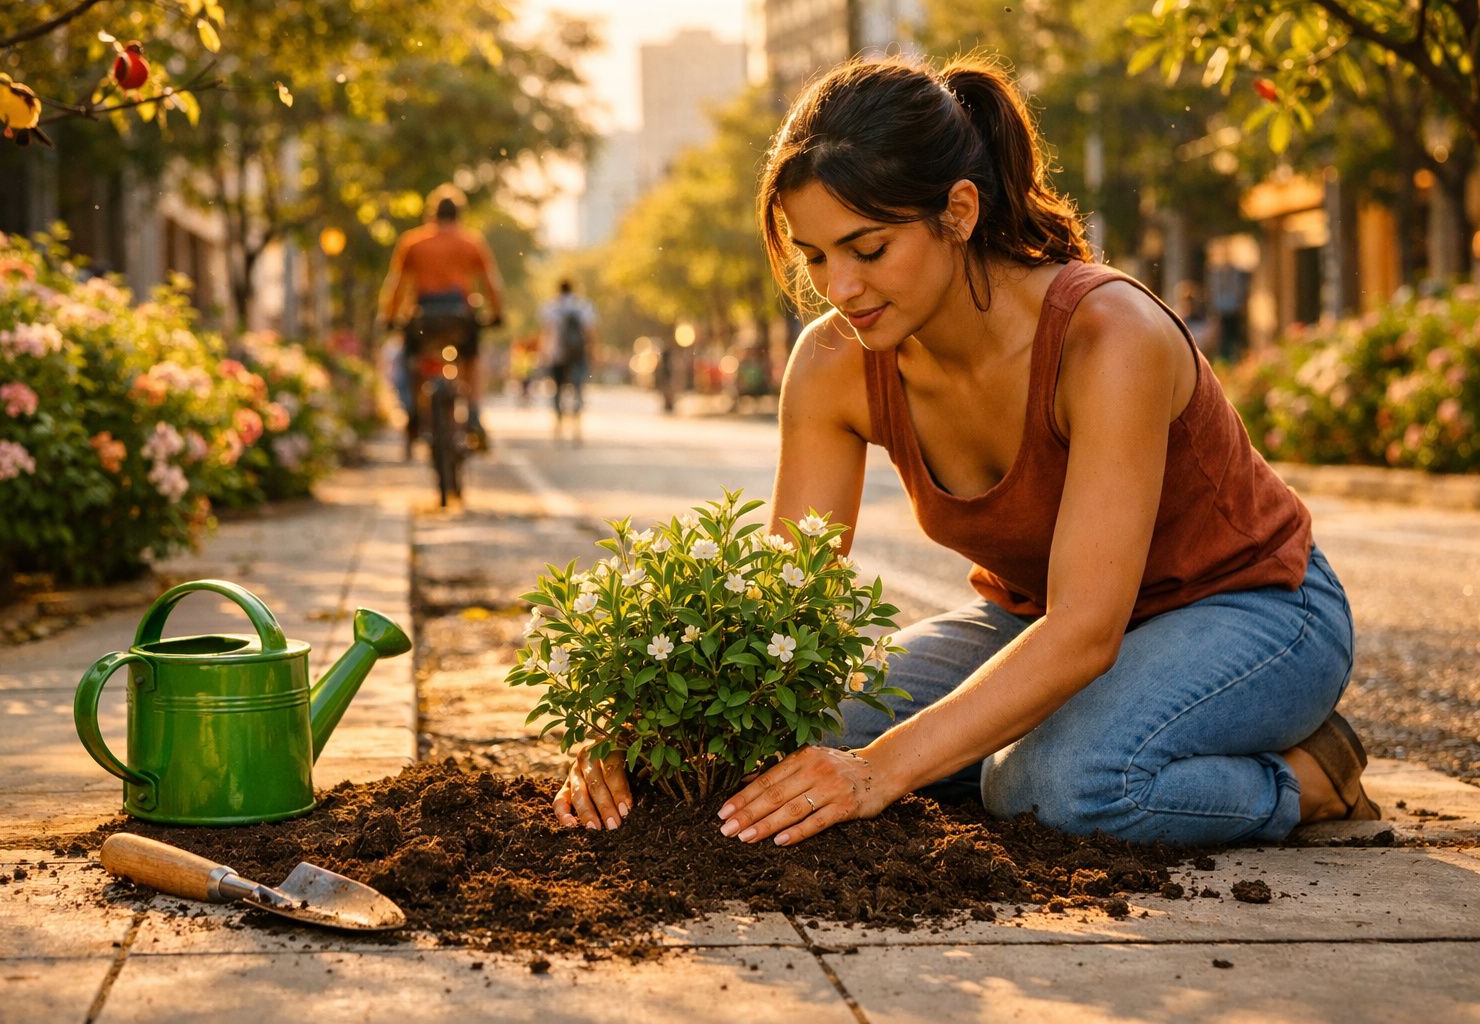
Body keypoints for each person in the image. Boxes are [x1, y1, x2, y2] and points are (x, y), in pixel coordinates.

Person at [552, 55, 1377, 850]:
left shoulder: (1108, 337)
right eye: (815, 259)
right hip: (1031, 621)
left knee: (1048, 787)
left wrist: (878, 772)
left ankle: (1309, 779)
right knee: (775, 736)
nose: (840, 288)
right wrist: (645, 723)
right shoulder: (834, 364)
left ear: (959, 211)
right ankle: (1050, 733)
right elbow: (782, 612)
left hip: (1252, 610)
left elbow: (1087, 631)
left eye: (868, 249)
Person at [380, 184, 504, 457]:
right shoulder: (471, 242)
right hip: (459, 314)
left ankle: (413, 412)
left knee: (412, 360)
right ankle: (472, 413)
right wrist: (497, 314)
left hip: (424, 314)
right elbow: (491, 284)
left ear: (431, 214)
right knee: (471, 359)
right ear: (460, 214)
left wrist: (389, 316)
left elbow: (397, 285)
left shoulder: (413, 242)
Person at [539, 279, 597, 443]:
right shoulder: (583, 306)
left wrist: (544, 353)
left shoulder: (551, 307)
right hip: (578, 355)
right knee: (578, 390)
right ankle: (576, 425)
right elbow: (590, 332)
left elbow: (546, 332)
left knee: (557, 391)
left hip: (556, 356)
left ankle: (558, 423)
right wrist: (592, 352)